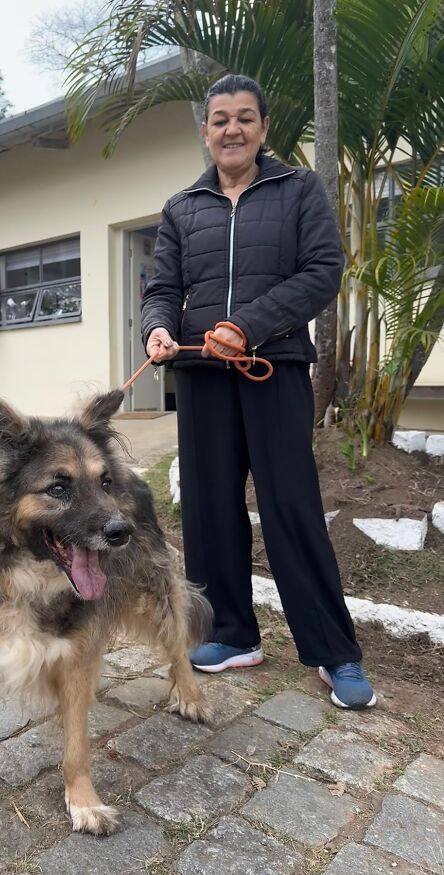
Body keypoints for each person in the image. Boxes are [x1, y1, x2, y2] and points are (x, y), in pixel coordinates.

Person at [141, 74, 376, 710]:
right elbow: (161, 288)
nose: (232, 129)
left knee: (291, 505)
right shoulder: (182, 207)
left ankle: (333, 649)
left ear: (263, 128)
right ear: (206, 131)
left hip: (273, 367)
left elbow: (322, 271)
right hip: (200, 374)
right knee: (209, 508)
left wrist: (247, 325)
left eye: (245, 118)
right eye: (220, 119)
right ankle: (230, 634)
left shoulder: (298, 189)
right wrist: (157, 328)